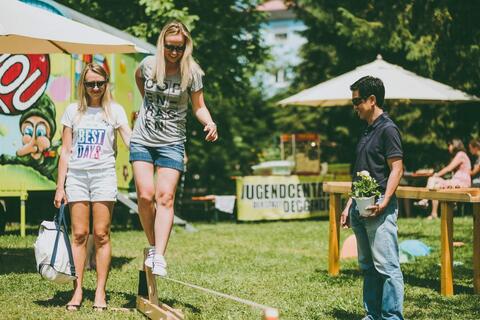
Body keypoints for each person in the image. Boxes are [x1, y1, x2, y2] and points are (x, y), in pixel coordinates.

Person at [130, 21, 218, 277]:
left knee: (165, 197)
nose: (174, 52)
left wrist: (210, 122)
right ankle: (153, 246)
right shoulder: (148, 65)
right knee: (145, 196)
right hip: (143, 138)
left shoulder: (192, 72)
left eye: (179, 48)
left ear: (186, 47)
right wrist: (147, 105)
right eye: (170, 47)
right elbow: (139, 79)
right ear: (162, 44)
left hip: (172, 142)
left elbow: (199, 106)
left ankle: (159, 256)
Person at [54, 63, 131, 311]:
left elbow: (132, 142)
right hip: (76, 177)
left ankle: (100, 291)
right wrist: (60, 186)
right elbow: (65, 151)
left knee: (101, 234)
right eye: (90, 84)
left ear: (106, 83)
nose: (95, 88)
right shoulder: (72, 111)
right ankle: (77, 290)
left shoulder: (115, 111)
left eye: (100, 83)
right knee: (78, 234)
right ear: (83, 85)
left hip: (103, 177)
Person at [340, 76, 404, 320]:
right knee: (368, 267)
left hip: (378, 205)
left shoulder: (388, 129)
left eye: (357, 101)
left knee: (387, 267)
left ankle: (391, 317)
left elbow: (397, 168)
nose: (354, 106)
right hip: (359, 206)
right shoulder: (367, 130)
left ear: (372, 100)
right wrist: (349, 204)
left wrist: (385, 201)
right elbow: (361, 171)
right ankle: (373, 315)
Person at [415, 139, 471, 219]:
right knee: (434, 183)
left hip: (461, 182)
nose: (448, 148)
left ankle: (425, 201)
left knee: (433, 179)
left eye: (449, 145)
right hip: (458, 181)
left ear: (455, 145)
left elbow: (449, 168)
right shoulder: (461, 155)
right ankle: (433, 213)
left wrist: (437, 174)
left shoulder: (461, 154)